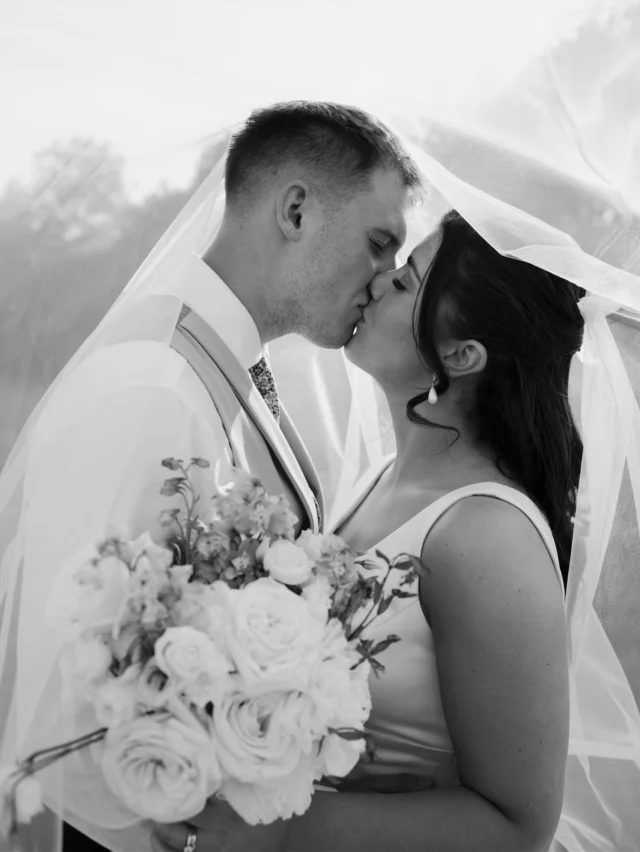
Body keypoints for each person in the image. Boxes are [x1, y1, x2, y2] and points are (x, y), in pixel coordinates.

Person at [0, 100, 420, 852]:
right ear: (296, 209)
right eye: (379, 243)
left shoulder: (227, 370)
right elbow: (64, 703)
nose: (385, 281)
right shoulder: (153, 387)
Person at [152, 209, 578, 852]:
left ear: (461, 356)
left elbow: (518, 829)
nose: (377, 281)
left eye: (405, 282)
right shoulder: (386, 477)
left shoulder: (485, 535)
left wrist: (279, 833)